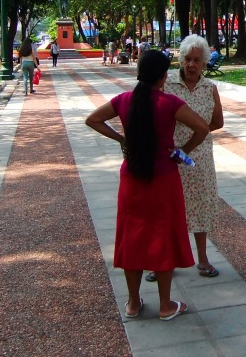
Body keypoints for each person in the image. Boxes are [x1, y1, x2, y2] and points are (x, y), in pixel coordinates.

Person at [85, 50, 210, 321]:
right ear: (164, 76)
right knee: (163, 237)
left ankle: (132, 303)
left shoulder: (124, 100)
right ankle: (166, 305)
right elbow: (202, 128)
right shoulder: (170, 103)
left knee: (132, 237)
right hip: (164, 178)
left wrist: (121, 139)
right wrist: (180, 150)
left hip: (132, 179)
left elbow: (92, 119)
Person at [146, 35, 224, 283]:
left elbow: (218, 122)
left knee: (201, 208)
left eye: (197, 60)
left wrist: (197, 135)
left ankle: (202, 258)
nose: (191, 65)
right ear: (180, 60)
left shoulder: (210, 88)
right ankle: (161, 261)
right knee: (166, 209)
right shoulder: (167, 86)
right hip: (170, 158)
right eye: (187, 59)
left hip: (200, 158)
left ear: (204, 63)